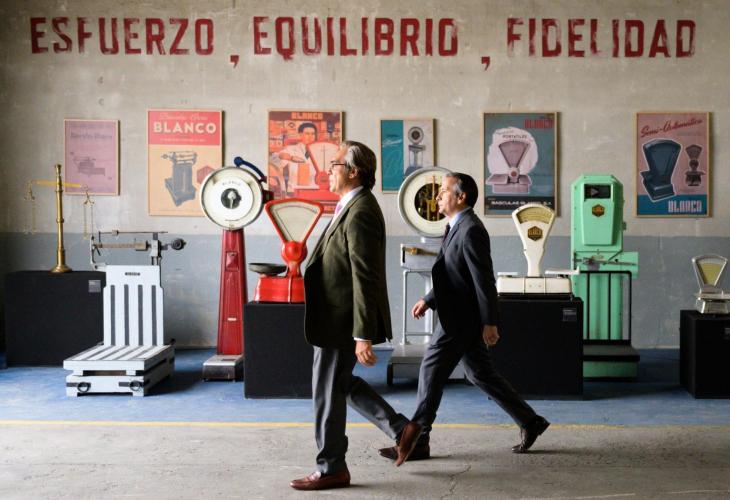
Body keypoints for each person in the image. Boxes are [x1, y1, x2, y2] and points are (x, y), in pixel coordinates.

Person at [379, 172, 550, 463]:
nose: (437, 197)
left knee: (431, 369)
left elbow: (483, 280)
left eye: (444, 191)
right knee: (480, 374)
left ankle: (418, 440)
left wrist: (490, 322)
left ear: (461, 197)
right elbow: (452, 274)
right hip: (459, 315)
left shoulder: (471, 230)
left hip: (459, 319)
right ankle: (530, 421)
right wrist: (429, 299)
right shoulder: (455, 226)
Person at [290, 141, 422, 491]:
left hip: (342, 321)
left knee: (327, 392)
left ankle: (331, 467)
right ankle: (401, 430)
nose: (329, 169)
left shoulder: (361, 210)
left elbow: (365, 276)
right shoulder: (349, 205)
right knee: (340, 384)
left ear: (354, 171)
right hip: (336, 318)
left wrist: (362, 334)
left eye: (335, 163)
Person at [270, 122, 318, 195]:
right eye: (307, 134)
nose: (310, 136)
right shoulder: (291, 149)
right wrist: (286, 157)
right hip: (294, 191)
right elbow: (273, 160)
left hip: (315, 191)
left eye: (313, 134)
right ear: (300, 135)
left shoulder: (320, 151)